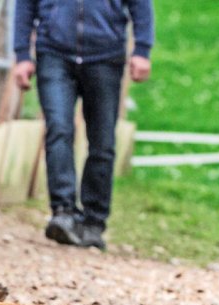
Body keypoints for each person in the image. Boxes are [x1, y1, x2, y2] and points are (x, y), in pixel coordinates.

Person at [11, 0, 154, 250]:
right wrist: (22, 54)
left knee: (102, 142)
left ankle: (93, 222)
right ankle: (63, 211)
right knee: (59, 129)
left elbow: (141, 4)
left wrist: (142, 49)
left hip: (105, 56)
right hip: (54, 53)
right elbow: (24, 4)